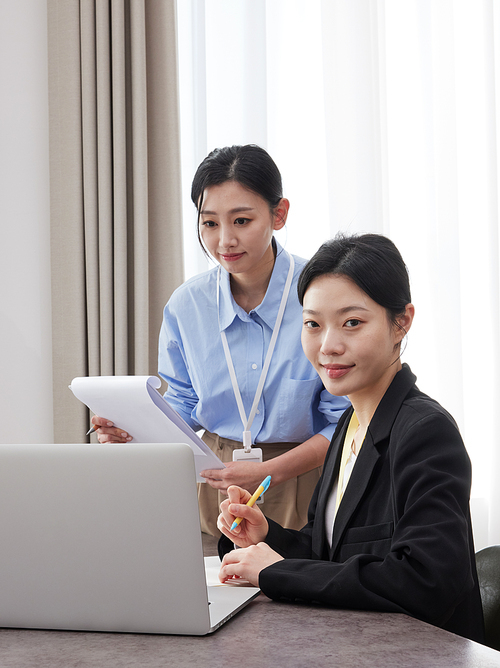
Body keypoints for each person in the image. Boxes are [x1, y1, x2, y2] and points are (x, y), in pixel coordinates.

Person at [217, 233, 484, 642]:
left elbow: (426, 580)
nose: (328, 346)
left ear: (402, 322)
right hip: (351, 658)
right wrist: (267, 537)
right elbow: (328, 554)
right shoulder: (351, 423)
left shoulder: (425, 431)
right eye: (312, 324)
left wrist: (275, 571)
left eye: (352, 323)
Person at [92, 145, 348, 535]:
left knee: (291, 590)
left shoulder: (319, 295)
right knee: (213, 591)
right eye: (209, 224)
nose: (225, 240)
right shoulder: (187, 305)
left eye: (241, 220)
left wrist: (267, 473)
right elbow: (184, 403)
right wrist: (134, 431)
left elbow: (345, 422)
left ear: (278, 215)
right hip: (216, 480)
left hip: (305, 477)